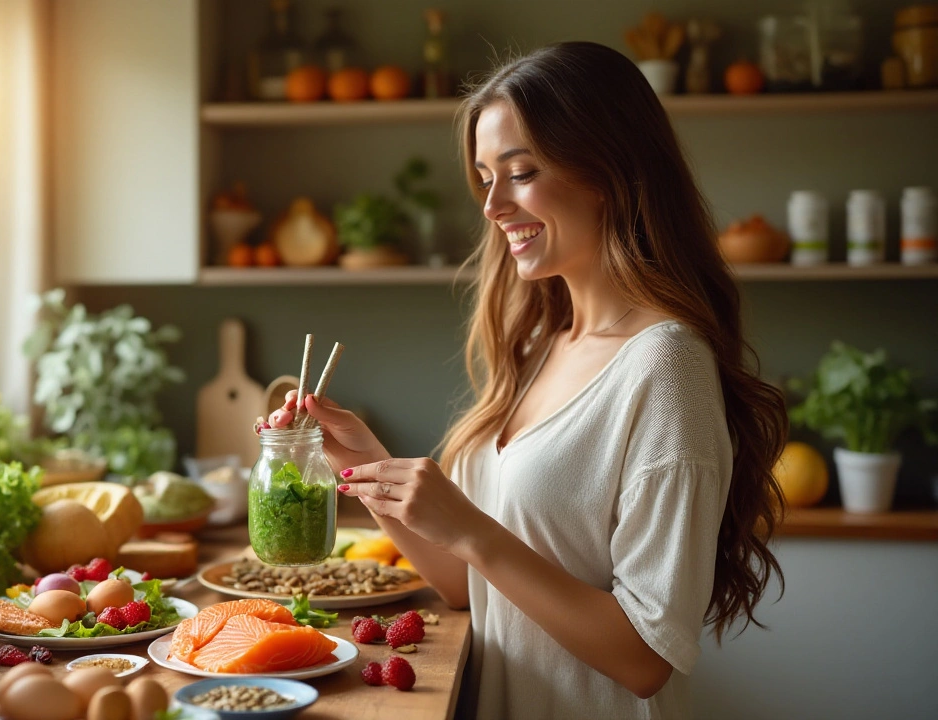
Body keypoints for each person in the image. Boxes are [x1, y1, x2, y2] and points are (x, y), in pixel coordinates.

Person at [258, 42, 788, 719]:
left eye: (522, 171)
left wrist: (473, 529)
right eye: (485, 177)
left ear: (608, 171)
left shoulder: (667, 367)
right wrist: (364, 461)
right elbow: (463, 585)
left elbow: (647, 657)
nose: (493, 204)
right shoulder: (542, 343)